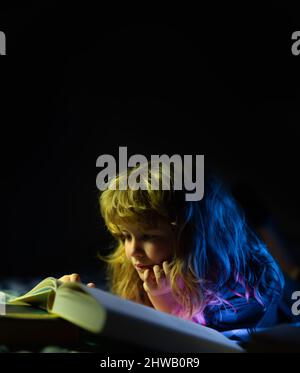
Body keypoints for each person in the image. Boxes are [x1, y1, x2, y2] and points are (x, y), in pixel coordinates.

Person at [59, 161, 284, 332]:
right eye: (125, 236)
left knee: (290, 269)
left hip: (279, 294)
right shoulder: (144, 267)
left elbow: (201, 342)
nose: (132, 251)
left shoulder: (244, 284)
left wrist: (165, 300)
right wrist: (97, 304)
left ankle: (262, 220)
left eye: (148, 236)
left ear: (192, 235)